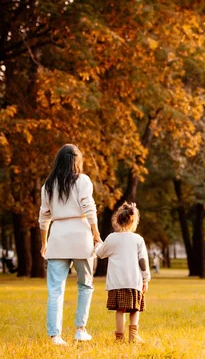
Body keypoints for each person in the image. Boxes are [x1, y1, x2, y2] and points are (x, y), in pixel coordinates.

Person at [39, 144, 102, 345]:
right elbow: (89, 208)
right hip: (81, 237)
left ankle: (55, 336)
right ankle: (80, 330)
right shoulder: (83, 180)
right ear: (77, 161)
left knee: (55, 290)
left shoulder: (48, 185)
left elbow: (44, 217)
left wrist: (43, 243)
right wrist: (96, 234)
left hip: (57, 237)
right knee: (85, 285)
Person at [95, 202, 150, 342]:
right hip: (134, 281)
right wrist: (145, 279)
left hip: (117, 282)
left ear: (117, 220)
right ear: (133, 221)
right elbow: (143, 261)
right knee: (134, 309)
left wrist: (97, 243)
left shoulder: (112, 238)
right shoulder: (138, 239)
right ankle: (134, 335)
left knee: (120, 310)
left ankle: (119, 337)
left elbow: (100, 253)